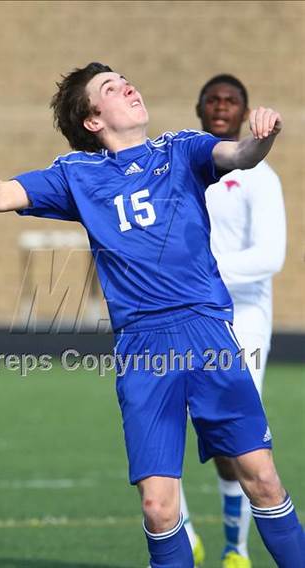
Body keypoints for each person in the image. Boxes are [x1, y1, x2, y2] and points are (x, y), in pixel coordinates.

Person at [0, 64, 304, 568]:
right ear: (92, 119)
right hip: (143, 349)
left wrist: (263, 138)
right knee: (156, 507)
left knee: (261, 480)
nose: (127, 86)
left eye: (125, 80)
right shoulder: (75, 175)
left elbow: (239, 154)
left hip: (206, 332)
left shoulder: (181, 149)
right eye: (110, 87)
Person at [179, 75, 287, 568]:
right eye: (213, 100)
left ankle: (235, 549)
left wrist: (204, 273)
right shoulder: (185, 166)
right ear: (200, 108)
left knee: (234, 438)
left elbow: (269, 256)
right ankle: (180, 530)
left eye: (231, 101)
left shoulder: (260, 177)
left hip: (243, 318)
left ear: (243, 111)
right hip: (187, 313)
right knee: (165, 412)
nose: (221, 107)